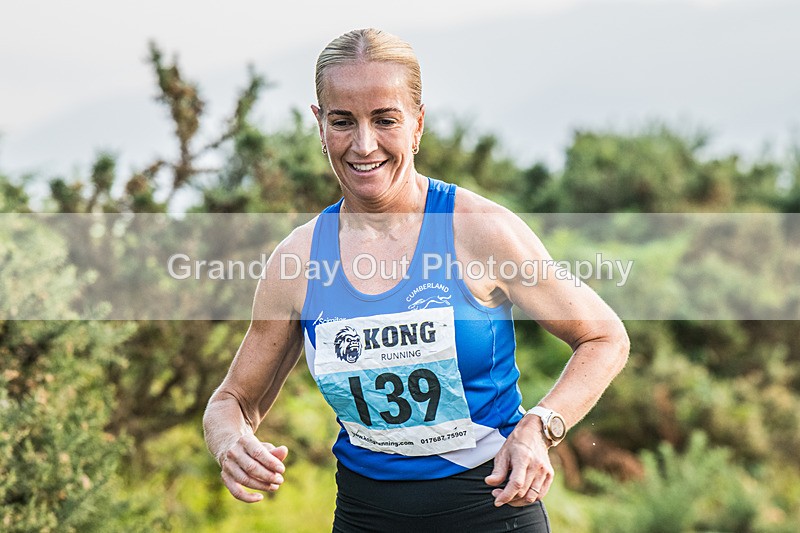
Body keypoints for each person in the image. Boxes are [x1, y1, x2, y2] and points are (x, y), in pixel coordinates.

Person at [203, 28, 629, 532]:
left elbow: (603, 336)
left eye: (385, 120)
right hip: (366, 518)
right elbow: (231, 402)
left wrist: (540, 426)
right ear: (319, 125)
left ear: (418, 123)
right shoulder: (297, 260)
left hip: (491, 512)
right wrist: (232, 443)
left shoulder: (478, 230)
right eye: (343, 122)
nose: (364, 145)